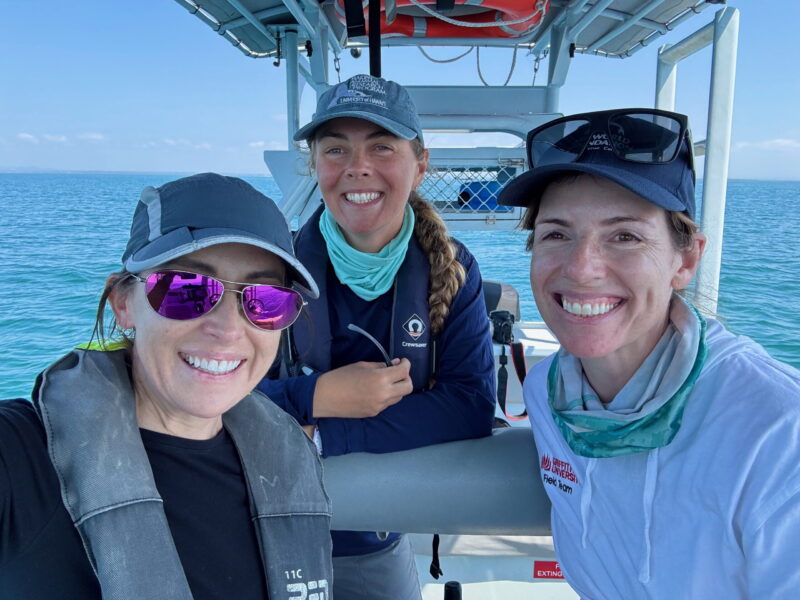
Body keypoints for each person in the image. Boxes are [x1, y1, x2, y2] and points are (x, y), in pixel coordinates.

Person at [497, 108, 800, 598]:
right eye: (556, 233)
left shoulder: (778, 435)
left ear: (686, 260)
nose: (582, 267)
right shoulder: (546, 391)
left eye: (625, 236)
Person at [0, 173, 333, 599]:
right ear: (123, 303)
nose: (228, 329)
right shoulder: (23, 455)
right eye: (186, 289)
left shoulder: (289, 456)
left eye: (264, 299)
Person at [258, 74, 496, 599]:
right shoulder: (272, 270)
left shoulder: (454, 270)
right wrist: (320, 395)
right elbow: (222, 393)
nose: (357, 167)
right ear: (315, 165)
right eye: (335, 148)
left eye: (381, 147)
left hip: (374, 538)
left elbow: (471, 404)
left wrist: (326, 434)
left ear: (420, 165)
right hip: (263, 528)